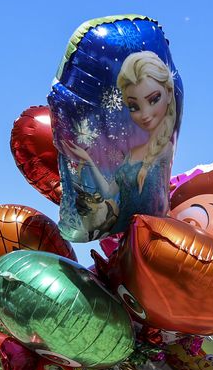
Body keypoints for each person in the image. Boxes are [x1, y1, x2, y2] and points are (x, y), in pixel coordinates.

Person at [64, 51, 178, 237]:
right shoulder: (132, 154)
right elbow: (109, 192)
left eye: (153, 99)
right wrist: (88, 160)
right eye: (134, 107)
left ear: (169, 93)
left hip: (152, 238)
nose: (145, 114)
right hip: (124, 240)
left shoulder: (166, 150)